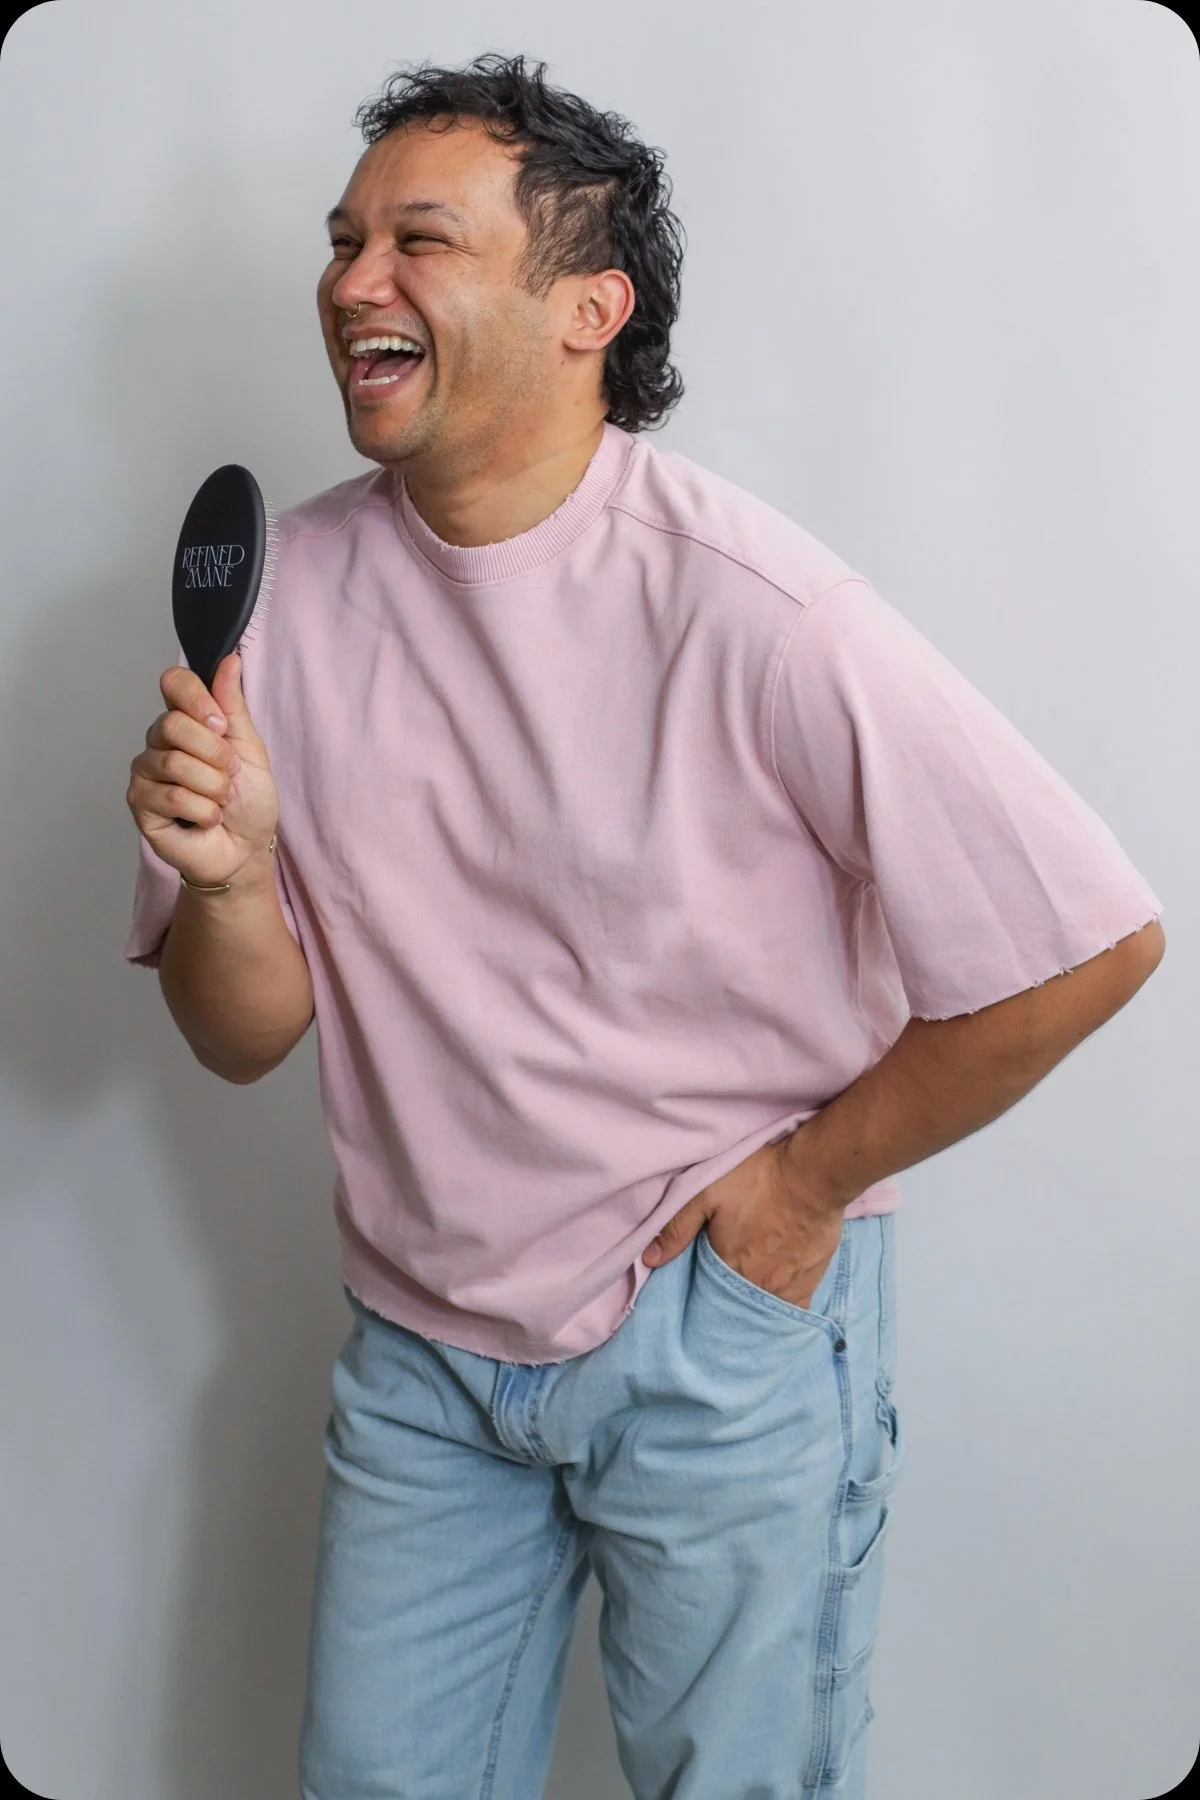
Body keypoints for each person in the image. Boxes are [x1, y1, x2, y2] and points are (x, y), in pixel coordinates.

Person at [123, 51, 1165, 1800]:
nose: (352, 283)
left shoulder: (759, 607)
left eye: (419, 242)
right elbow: (245, 1034)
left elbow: (1090, 940)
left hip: (716, 1340)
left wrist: (806, 1186)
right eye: (345, 239)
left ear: (584, 305)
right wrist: (229, 882)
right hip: (423, 1349)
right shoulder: (280, 597)